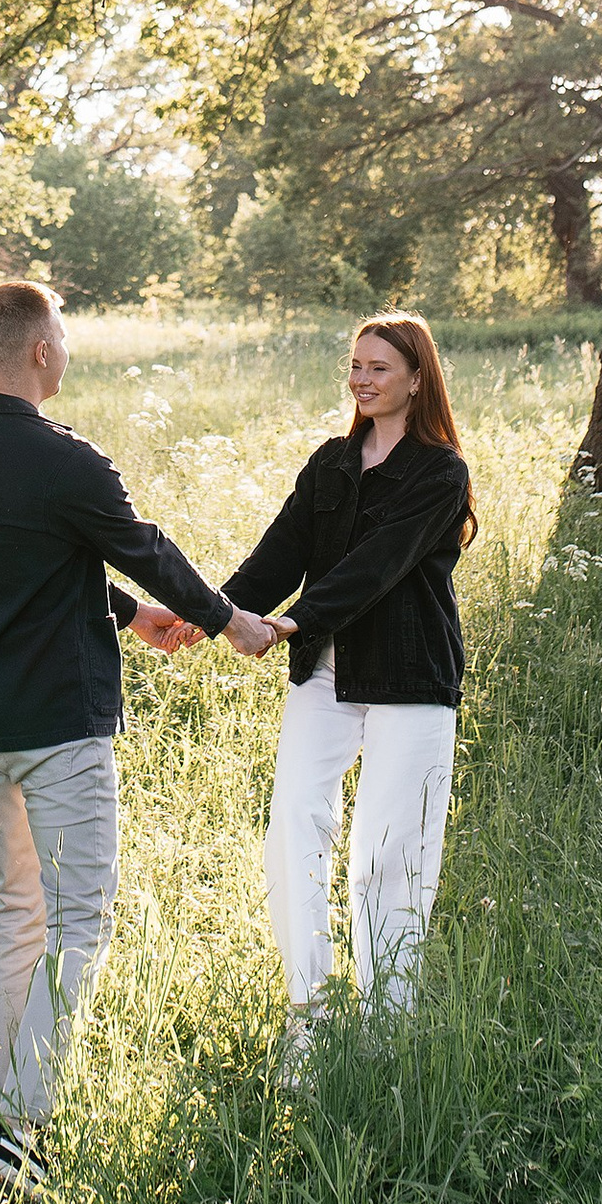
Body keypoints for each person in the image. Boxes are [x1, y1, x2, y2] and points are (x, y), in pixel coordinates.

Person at [0, 279, 280, 1189]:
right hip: (55, 730)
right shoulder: (66, 460)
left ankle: (7, 1097)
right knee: (82, 923)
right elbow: (143, 543)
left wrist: (124, 614)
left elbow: (11, 568)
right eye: (63, 336)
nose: (67, 349)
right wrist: (232, 622)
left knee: (17, 908)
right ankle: (18, 1132)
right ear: (40, 350)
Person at [138, 314, 474, 1051]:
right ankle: (310, 1023)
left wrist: (290, 624)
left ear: (418, 377)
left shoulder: (440, 472)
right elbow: (278, 555)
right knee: (293, 832)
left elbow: (377, 566)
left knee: (389, 857)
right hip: (323, 679)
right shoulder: (330, 463)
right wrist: (209, 613)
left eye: (379, 367)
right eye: (356, 365)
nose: (362, 378)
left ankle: (387, 1030)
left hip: (410, 680)